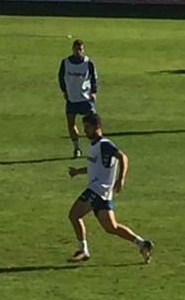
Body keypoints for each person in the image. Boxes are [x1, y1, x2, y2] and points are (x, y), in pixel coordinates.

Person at [65, 113, 154, 264]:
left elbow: (123, 157)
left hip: (97, 189)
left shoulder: (104, 144)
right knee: (111, 227)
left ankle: (83, 250)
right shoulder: (94, 146)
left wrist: (121, 178)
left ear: (97, 127)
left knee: (74, 215)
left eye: (87, 127)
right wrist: (77, 171)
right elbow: (94, 166)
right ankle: (142, 243)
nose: (85, 130)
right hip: (102, 193)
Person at [58, 39, 98, 158]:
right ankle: (76, 148)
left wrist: (94, 92)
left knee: (93, 123)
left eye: (80, 49)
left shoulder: (88, 62)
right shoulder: (65, 62)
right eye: (76, 49)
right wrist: (64, 91)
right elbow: (61, 77)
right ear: (72, 49)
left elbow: (94, 78)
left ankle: (94, 148)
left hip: (85, 98)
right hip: (72, 98)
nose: (78, 51)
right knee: (71, 124)